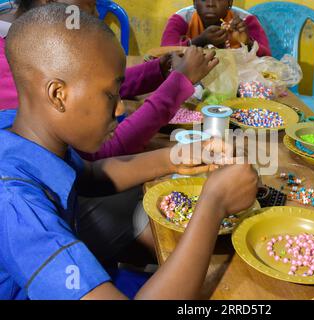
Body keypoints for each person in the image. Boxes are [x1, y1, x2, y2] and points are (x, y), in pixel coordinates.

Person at [1, 3, 258, 300]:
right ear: (58, 94)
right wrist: (213, 204)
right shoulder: (17, 207)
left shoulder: (20, 129)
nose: (121, 107)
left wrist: (179, 155)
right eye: (111, 94)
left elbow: (90, 175)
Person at [0, 0, 216, 160]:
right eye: (90, 6)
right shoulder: (17, 67)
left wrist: (158, 70)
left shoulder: (31, 37)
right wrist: (178, 84)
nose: (96, 15)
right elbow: (104, 151)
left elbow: (96, 84)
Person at [161, 0, 271, 57]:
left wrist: (248, 42)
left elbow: (268, 58)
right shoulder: (181, 19)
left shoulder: (245, 20)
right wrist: (199, 41)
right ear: (194, 2)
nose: (210, 4)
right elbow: (164, 54)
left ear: (230, 2)